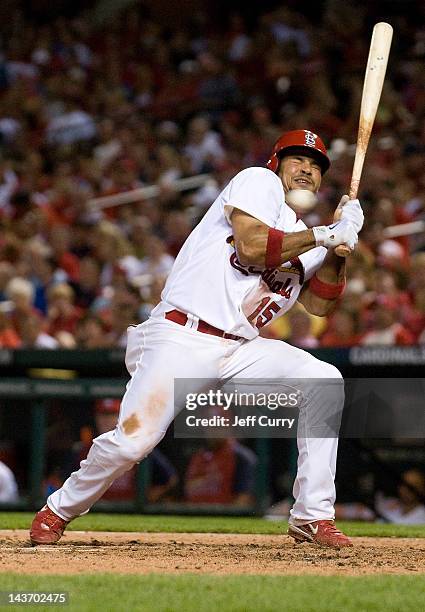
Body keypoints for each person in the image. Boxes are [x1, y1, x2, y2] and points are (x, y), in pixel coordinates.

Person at [30, 129, 363, 548]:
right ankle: (59, 508)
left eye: (315, 166)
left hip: (240, 348)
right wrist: (325, 235)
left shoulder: (306, 234)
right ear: (276, 163)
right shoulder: (257, 182)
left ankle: (312, 516)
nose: (306, 170)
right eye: (297, 160)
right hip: (182, 336)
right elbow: (250, 249)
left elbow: (319, 306)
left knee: (323, 381)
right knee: (134, 443)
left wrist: (341, 246)